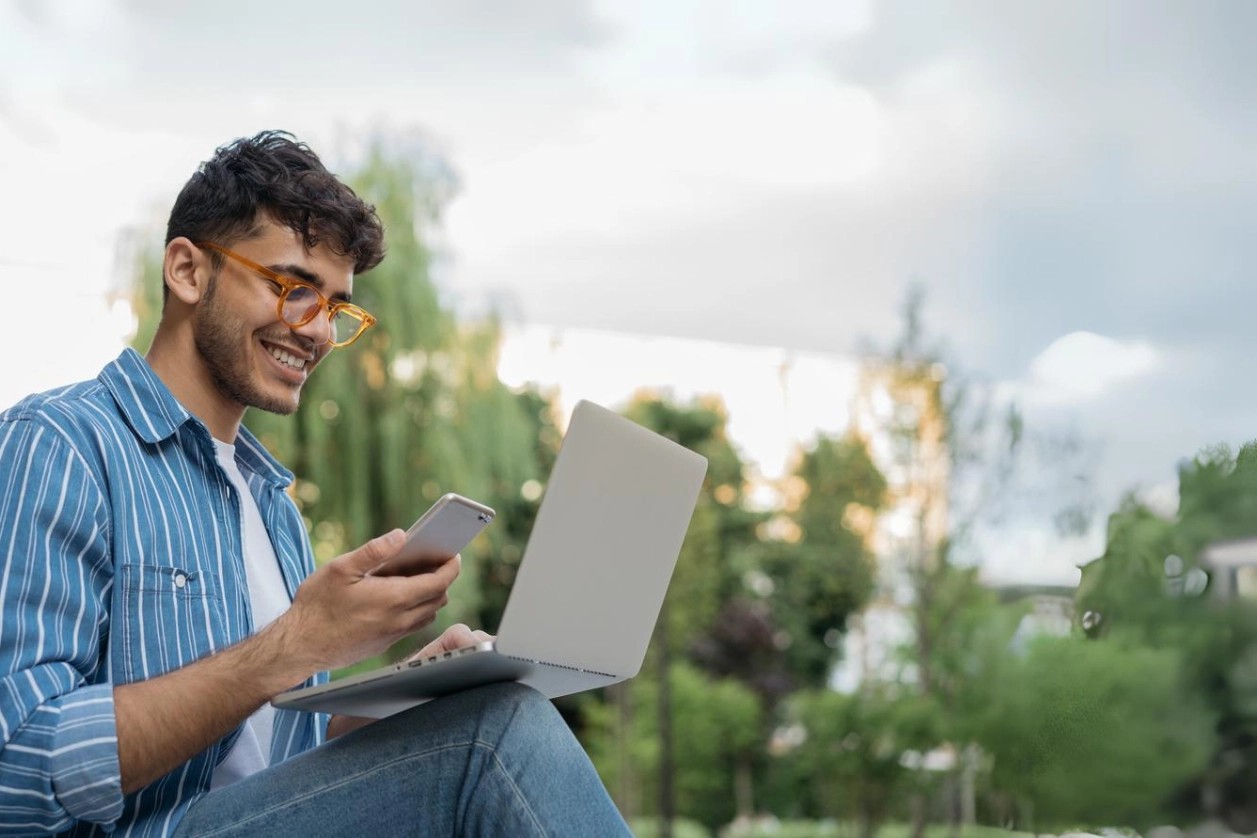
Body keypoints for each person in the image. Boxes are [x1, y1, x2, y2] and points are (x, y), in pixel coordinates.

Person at [0, 131, 630, 837]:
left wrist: (406, 698)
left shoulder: (272, 508)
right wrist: (297, 641)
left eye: (335, 307)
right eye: (295, 289)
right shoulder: (60, 444)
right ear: (186, 270)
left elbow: (275, 773)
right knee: (493, 733)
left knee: (474, 715)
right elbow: (16, 768)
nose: (319, 332)